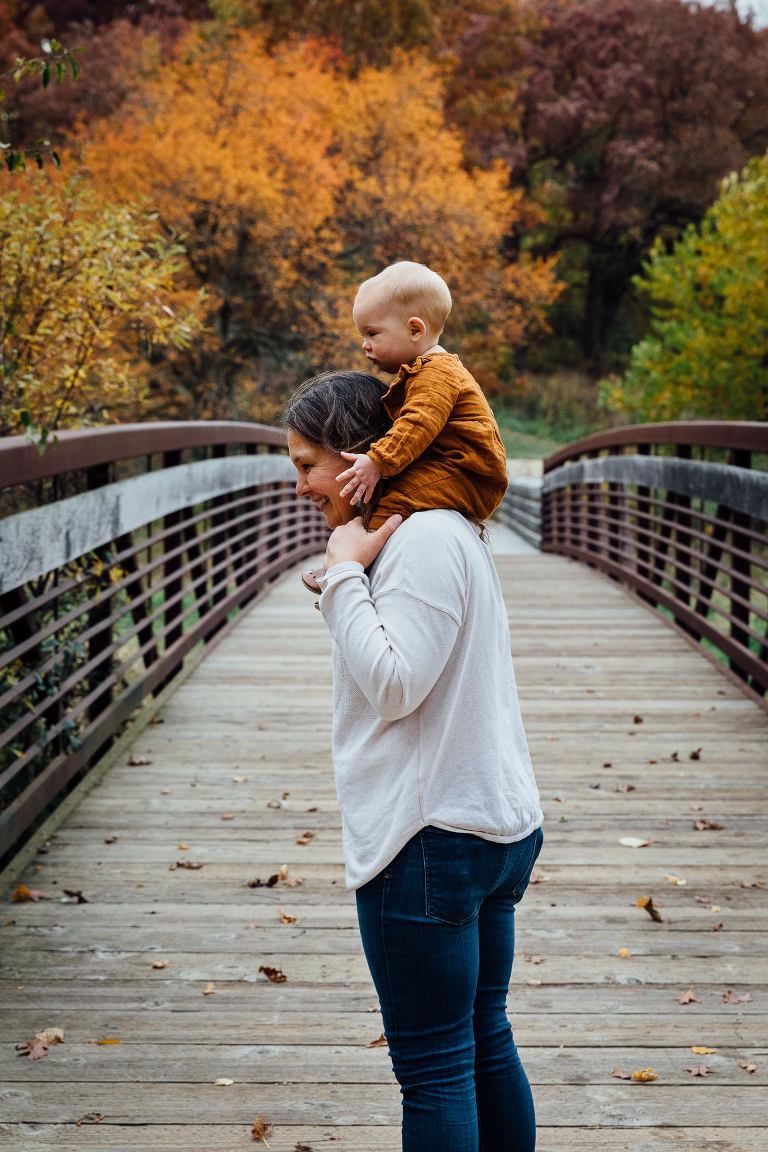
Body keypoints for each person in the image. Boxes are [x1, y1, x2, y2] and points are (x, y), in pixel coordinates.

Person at [285, 370, 543, 1152]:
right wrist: (350, 580)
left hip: (431, 838)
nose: (299, 487)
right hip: (480, 826)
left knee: (435, 1068)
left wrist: (341, 577)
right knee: (481, 1040)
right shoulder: (439, 527)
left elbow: (396, 685)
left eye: (307, 465)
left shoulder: (424, 537)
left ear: (360, 455)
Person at [301, 260, 508, 592]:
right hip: (451, 465)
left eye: (372, 333)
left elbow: (418, 423)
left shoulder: (438, 372)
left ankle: (349, 565)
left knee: (396, 498)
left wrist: (378, 460)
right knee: (393, 496)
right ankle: (362, 564)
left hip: (466, 470)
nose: (364, 344)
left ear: (415, 329)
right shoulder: (423, 371)